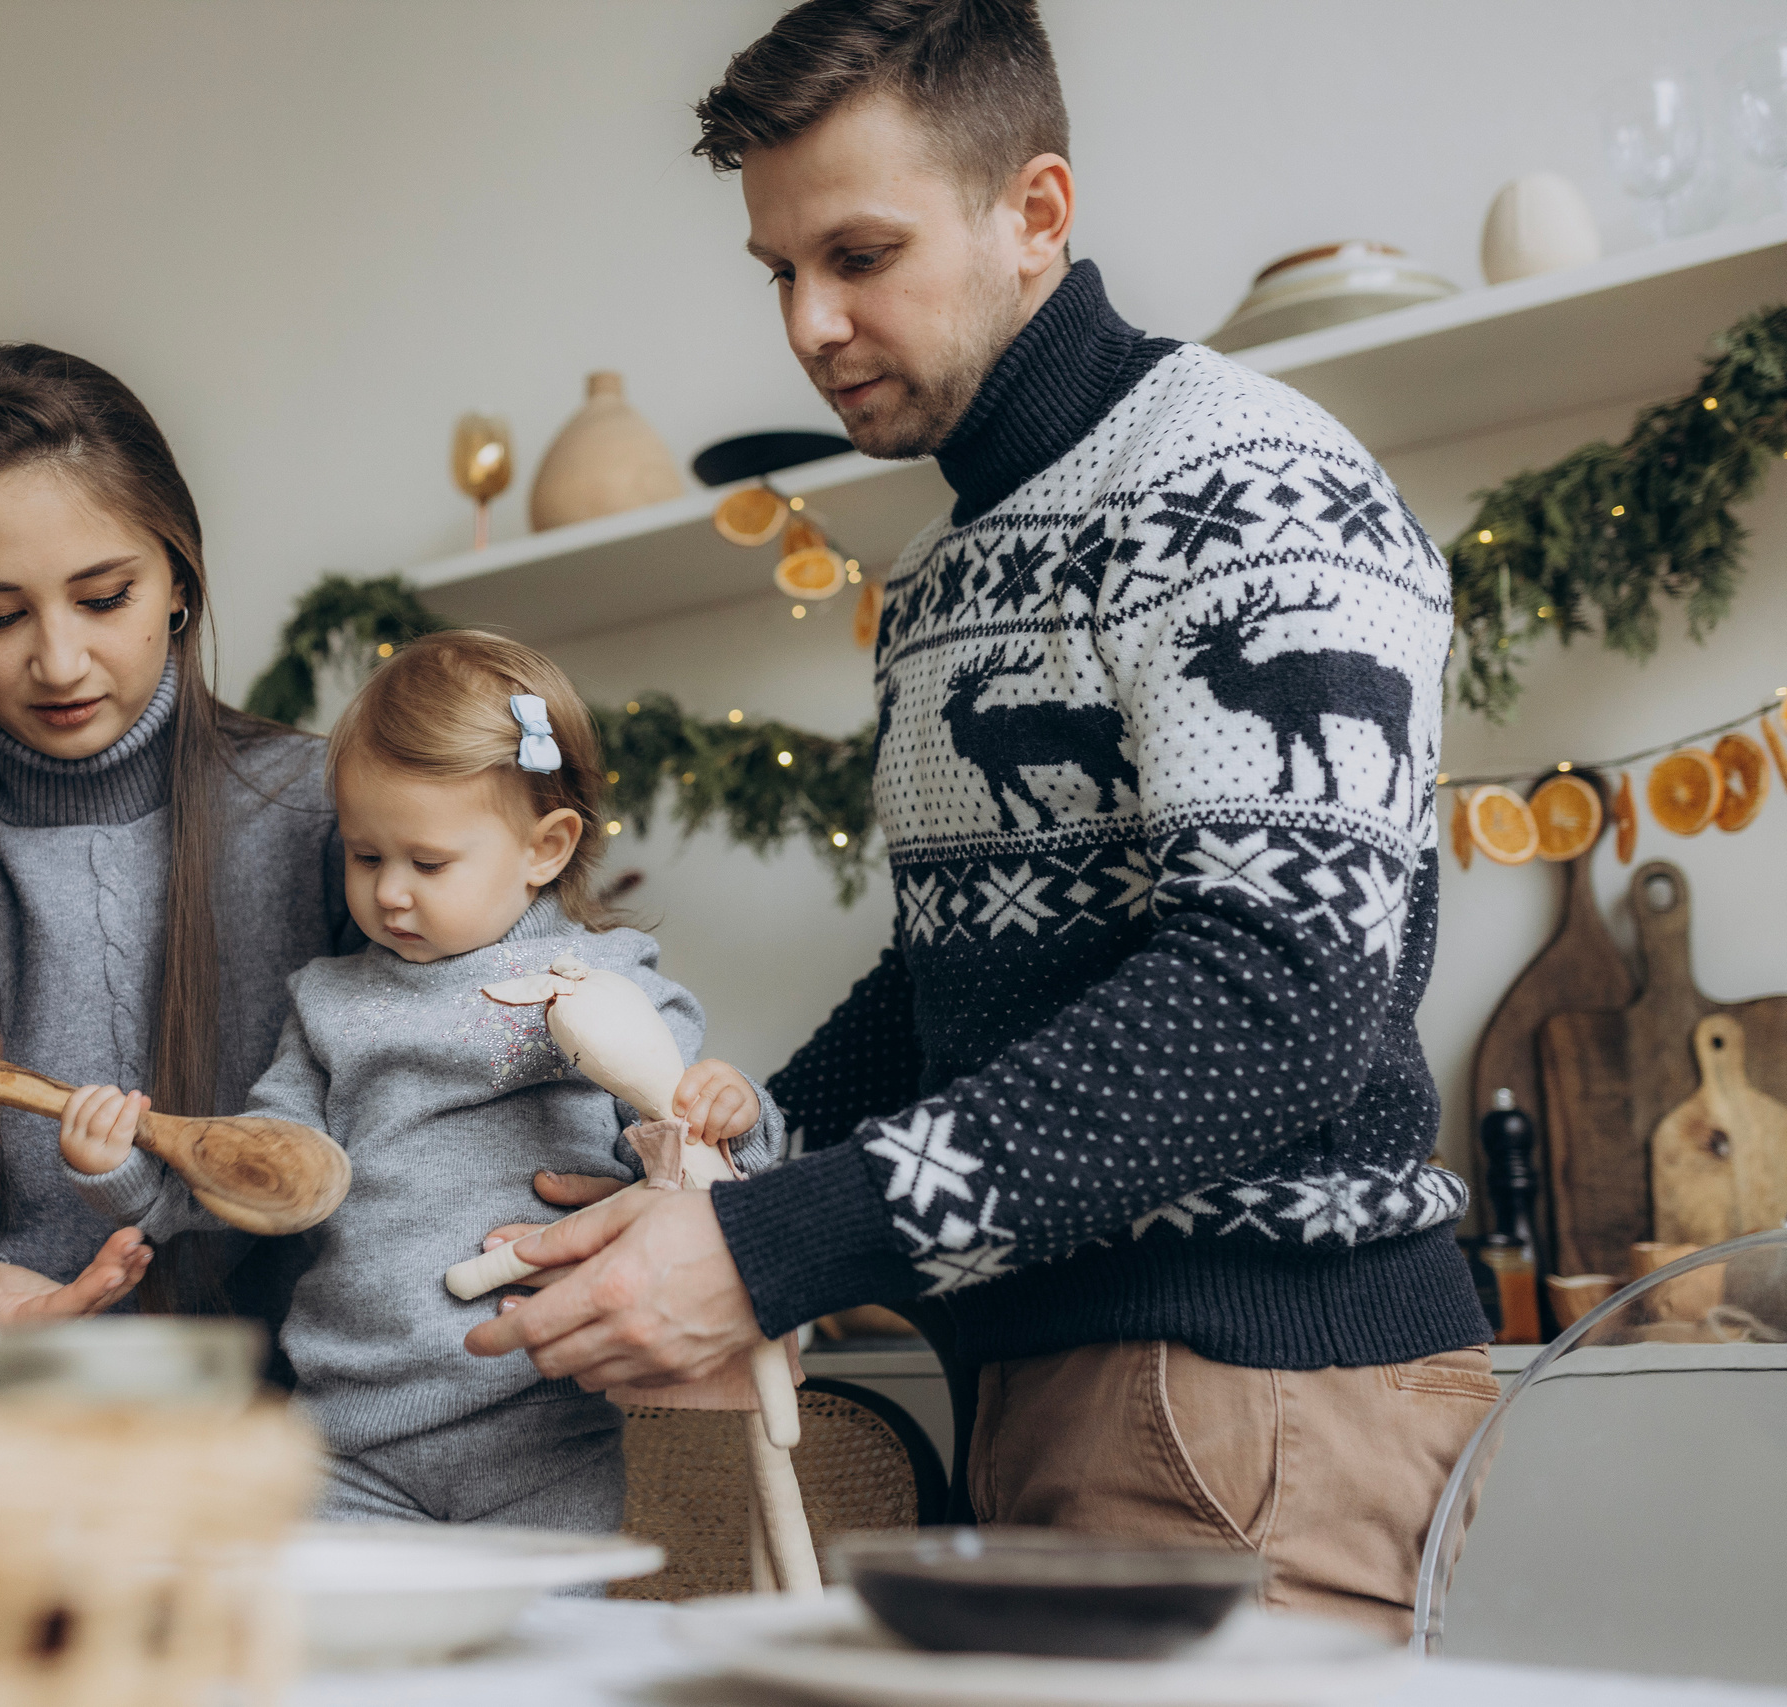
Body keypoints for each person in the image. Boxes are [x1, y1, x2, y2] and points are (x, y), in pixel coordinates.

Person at [466, 0, 1495, 1636]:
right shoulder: (950, 570)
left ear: (1036, 212)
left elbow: (1276, 994)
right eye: (779, 270)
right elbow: (966, 976)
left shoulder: (1247, 480)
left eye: (861, 255)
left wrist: (775, 1247)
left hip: (1255, 1393)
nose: (811, 323)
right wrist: (743, 1162)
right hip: (1060, 1390)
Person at [52, 632, 783, 1529]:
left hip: (542, 1430)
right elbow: (268, 1169)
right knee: (331, 1620)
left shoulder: (608, 985)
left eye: (427, 863)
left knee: (544, 1622)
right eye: (365, 856)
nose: (390, 892)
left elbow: (693, 1168)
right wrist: (127, 1172)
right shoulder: (331, 1004)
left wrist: (734, 1112)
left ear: (546, 848)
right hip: (348, 1437)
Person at [0, 342, 355, 1327]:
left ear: (180, 578)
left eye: (103, 598)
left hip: (299, 1411)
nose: (60, 661)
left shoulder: (329, 818)